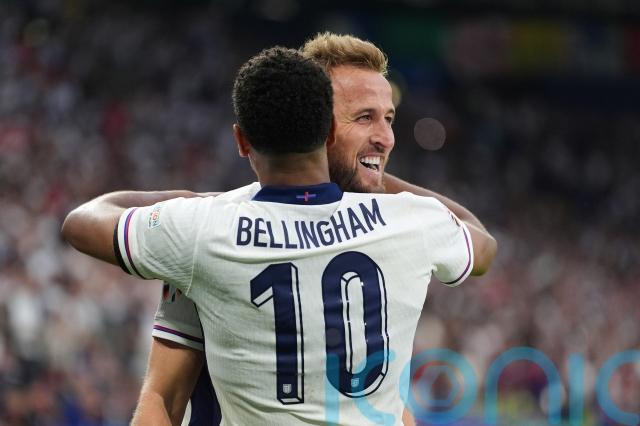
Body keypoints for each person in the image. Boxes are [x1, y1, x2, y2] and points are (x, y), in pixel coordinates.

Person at [63, 46, 496, 424]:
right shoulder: (411, 222)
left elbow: (84, 222)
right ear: (325, 130)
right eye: (364, 118)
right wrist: (386, 186)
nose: (383, 137)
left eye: (388, 118)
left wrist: (188, 200)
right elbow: (164, 395)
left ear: (242, 140)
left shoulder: (202, 230)